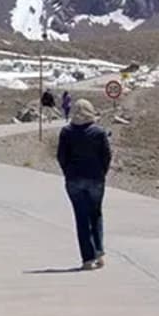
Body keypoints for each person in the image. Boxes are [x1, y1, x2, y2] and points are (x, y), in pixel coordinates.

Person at [56, 98, 112, 270]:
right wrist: (101, 172)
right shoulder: (99, 132)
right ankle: (99, 253)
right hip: (95, 179)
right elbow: (107, 156)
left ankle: (87, 259)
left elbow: (61, 156)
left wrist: (69, 172)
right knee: (95, 214)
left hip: (74, 180)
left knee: (81, 218)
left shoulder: (66, 132)